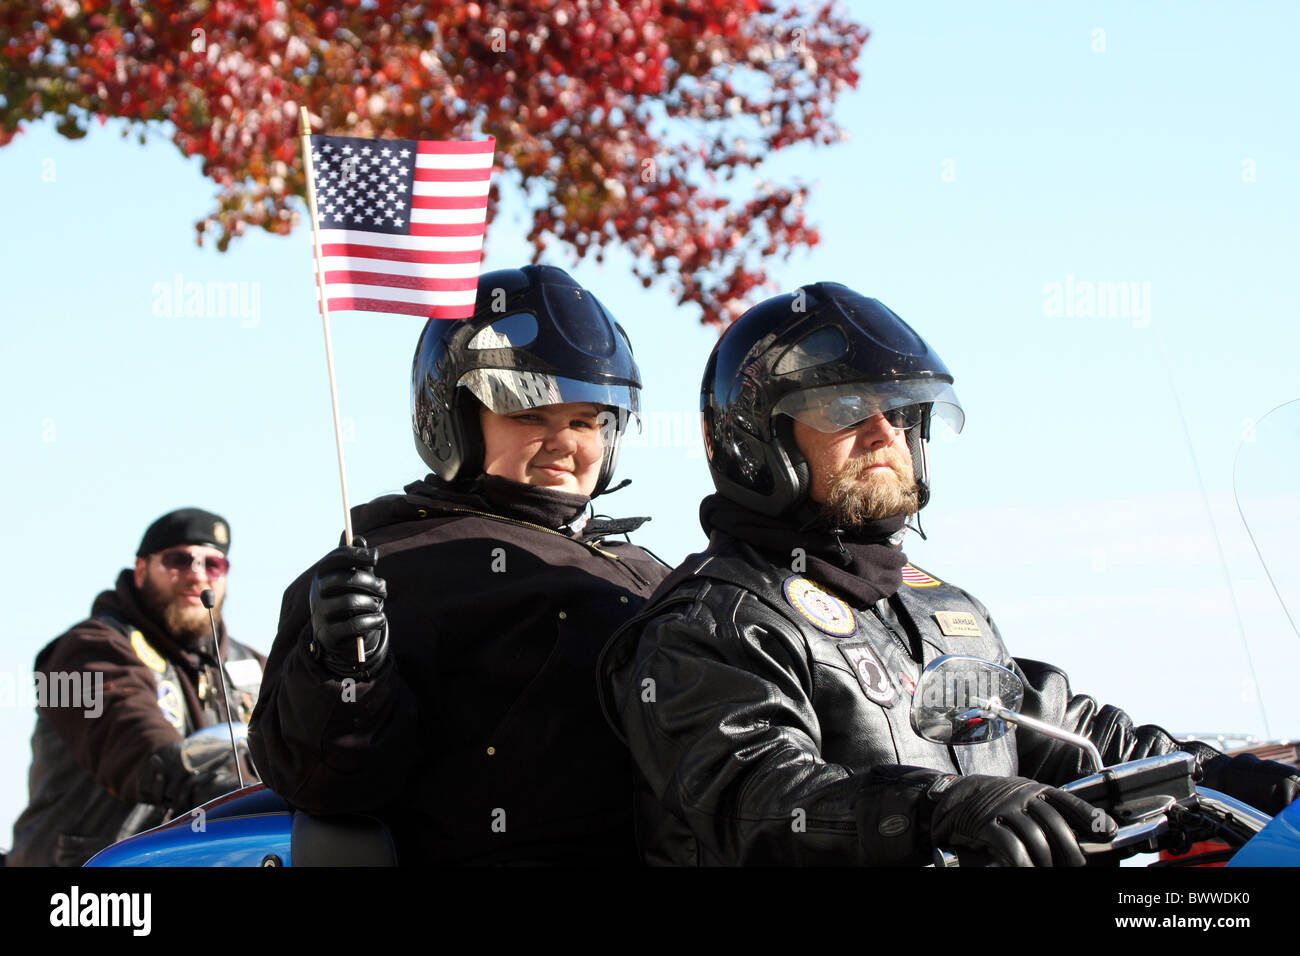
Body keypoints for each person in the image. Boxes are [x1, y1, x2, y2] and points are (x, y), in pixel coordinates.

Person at [599, 282, 1300, 866]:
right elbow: (760, 799)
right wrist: (936, 807)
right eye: (844, 410)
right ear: (757, 440)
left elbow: (1059, 731)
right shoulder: (715, 623)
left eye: (899, 412)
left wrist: (1220, 776)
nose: (883, 433)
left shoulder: (938, 608)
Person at [248, 265, 669, 865]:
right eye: (529, 416)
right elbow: (325, 782)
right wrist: (343, 670)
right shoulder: (389, 565)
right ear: (457, 420)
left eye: (585, 421)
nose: (566, 442)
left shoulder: (647, 571)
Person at [9, 508, 263, 867]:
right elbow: (135, 743)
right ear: (141, 570)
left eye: (213, 564)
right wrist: (236, 795)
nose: (197, 576)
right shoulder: (85, 651)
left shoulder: (251, 666)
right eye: (179, 560)